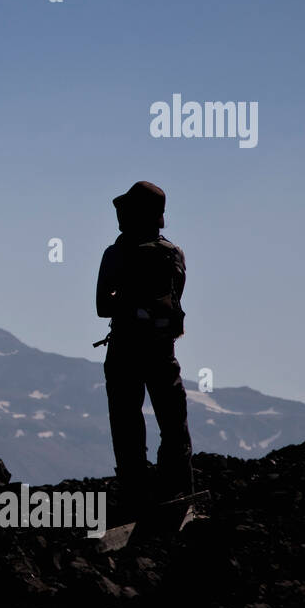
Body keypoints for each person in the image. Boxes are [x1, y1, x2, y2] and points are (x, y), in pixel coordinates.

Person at [96, 181, 193, 517]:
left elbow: (101, 307)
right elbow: (176, 298)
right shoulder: (173, 254)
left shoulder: (116, 253)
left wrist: (126, 303)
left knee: (126, 424)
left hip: (124, 350)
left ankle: (134, 494)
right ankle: (176, 490)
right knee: (173, 421)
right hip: (162, 352)